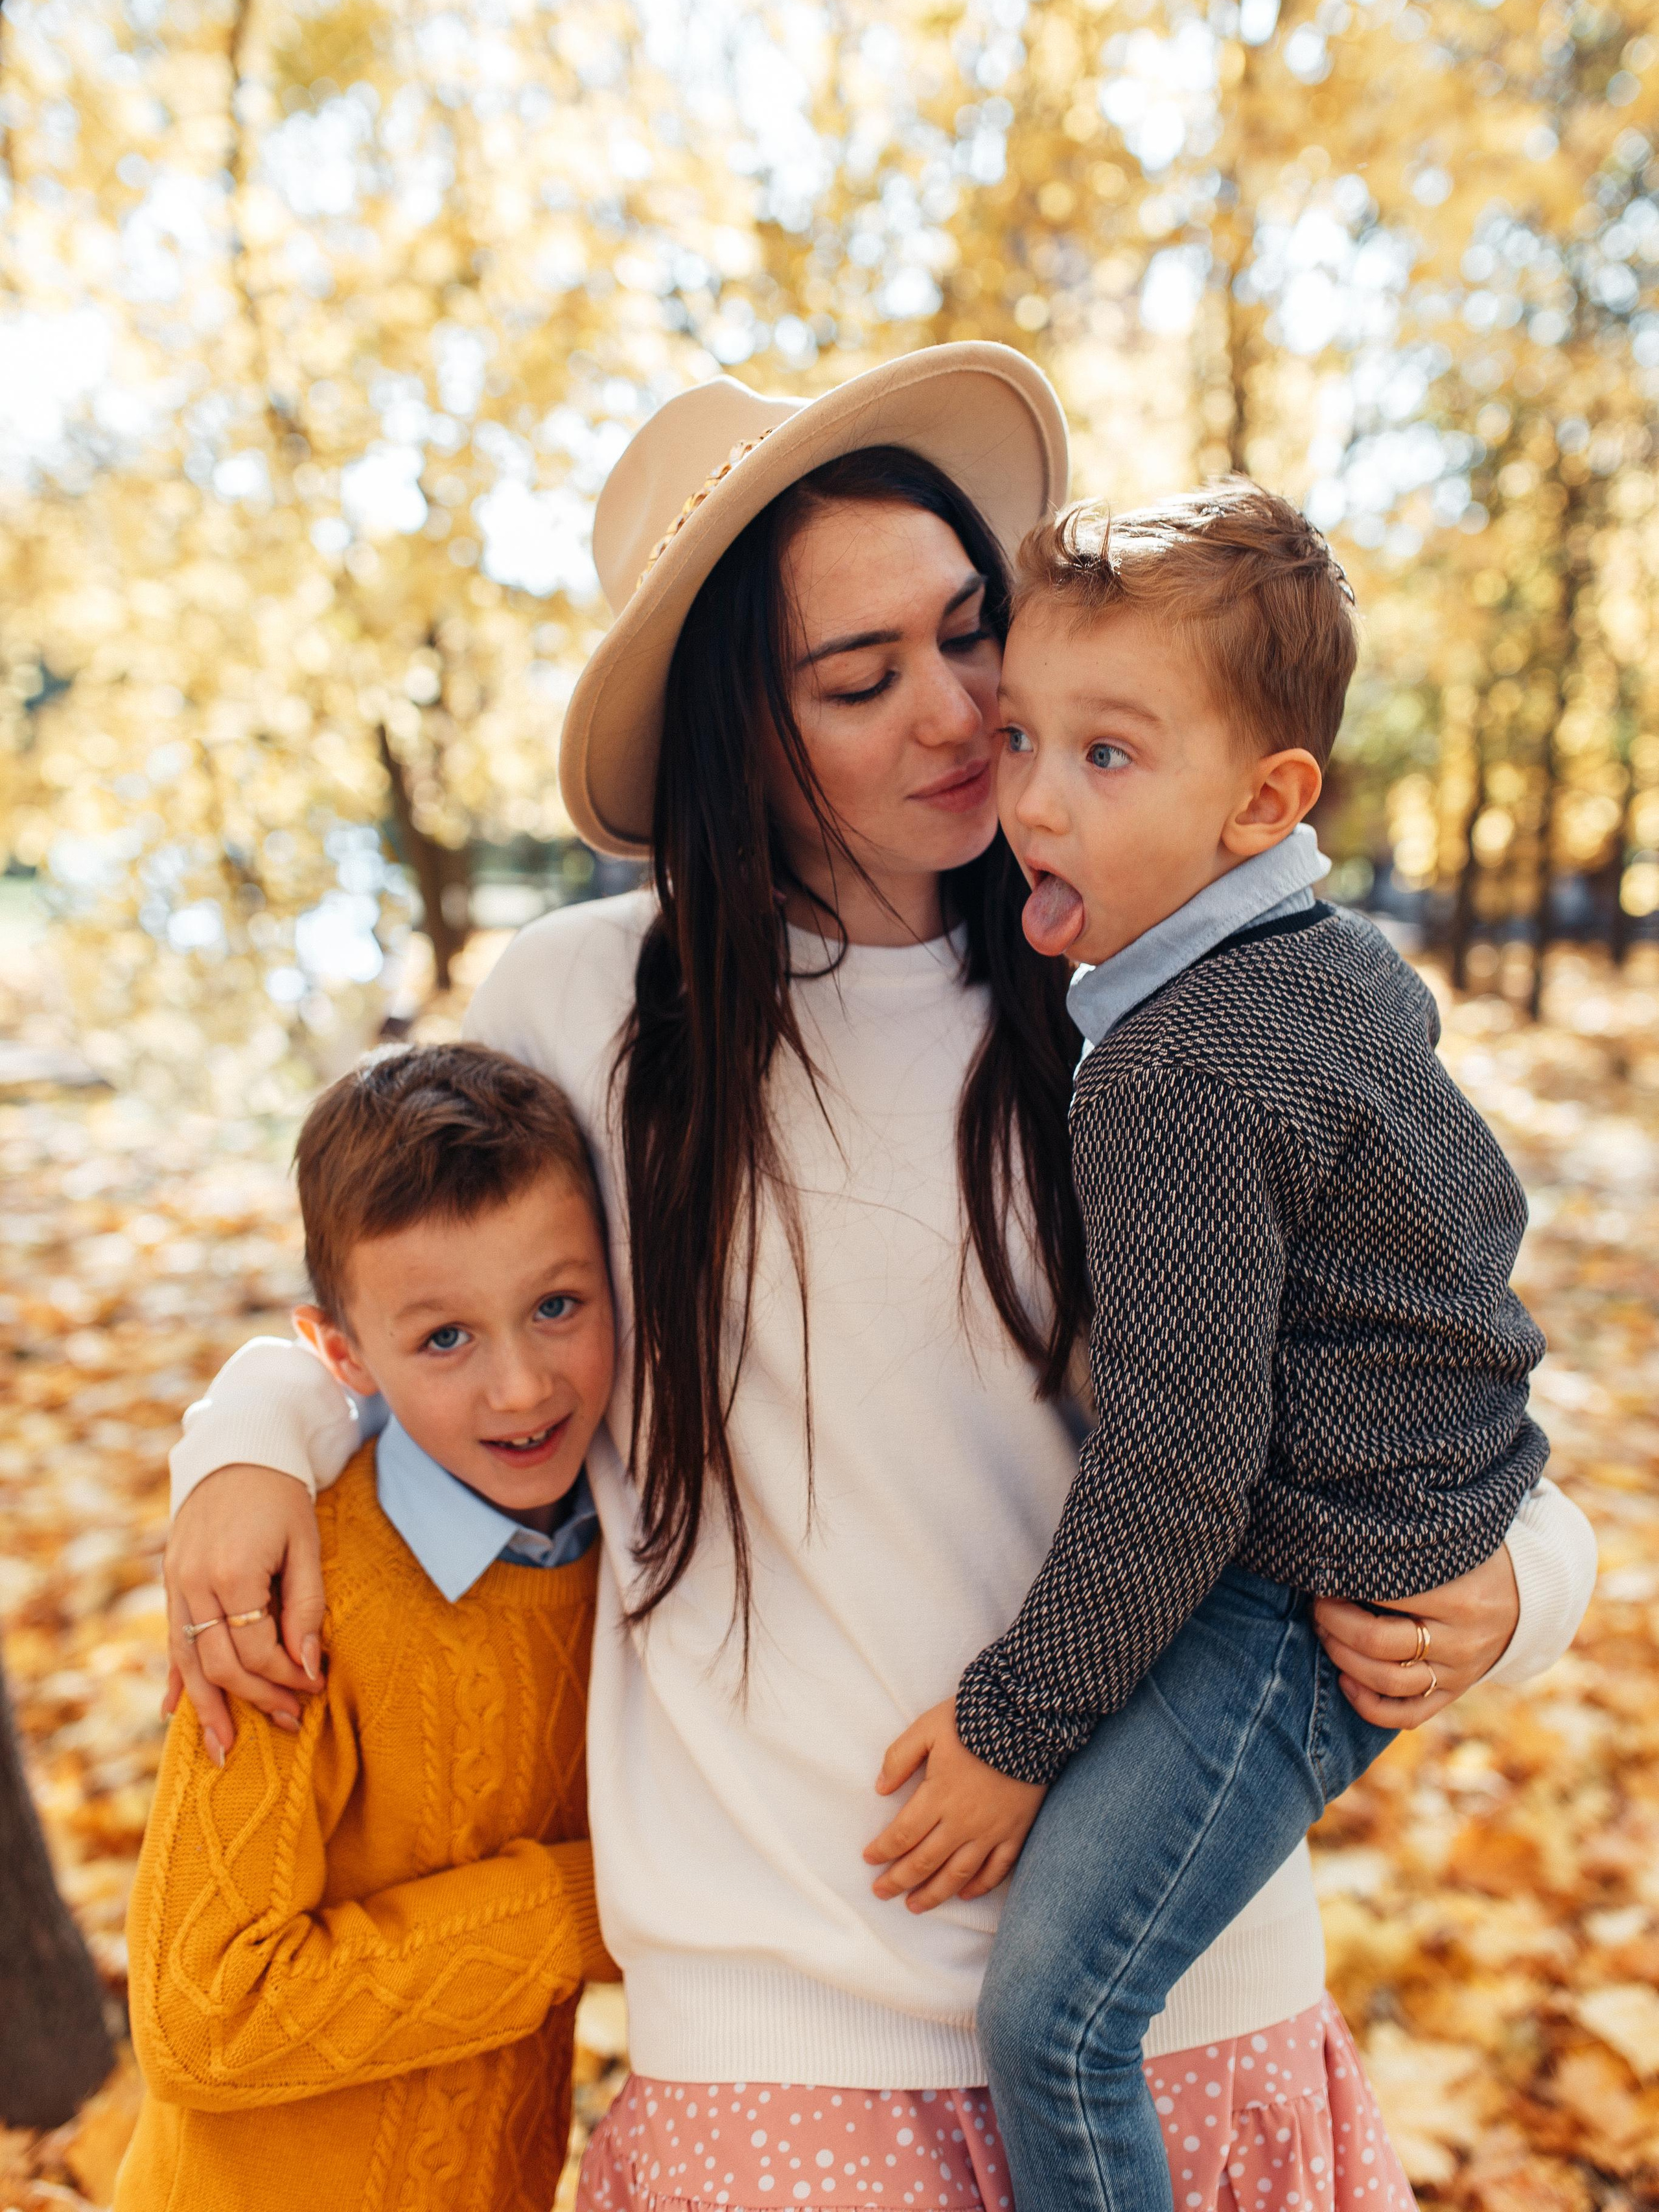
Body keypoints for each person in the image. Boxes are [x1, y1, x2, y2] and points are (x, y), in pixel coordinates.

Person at [157, 345, 1597, 2212]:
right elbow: (417, 1300)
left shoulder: (1175, 984)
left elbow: (1439, 1361)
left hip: (1180, 2009)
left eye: (970, 632)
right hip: (786, 2035)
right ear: (736, 735)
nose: (959, 708)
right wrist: (249, 1438)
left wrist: (1520, 1590)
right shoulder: (586, 1006)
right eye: (862, 677)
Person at [863, 483, 1555, 2212]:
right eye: (1025, 734)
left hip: (1293, 1593)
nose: (1027, 798)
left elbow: (1178, 1472)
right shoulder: (1333, 959)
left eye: (1109, 757)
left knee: (1056, 2016)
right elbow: (1469, 1221)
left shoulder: (1177, 1060)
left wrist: (1015, 1726)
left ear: (1266, 803)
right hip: (1379, 1518)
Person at [117, 1046, 618, 2212]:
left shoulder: (635, 1552)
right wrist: (568, 1911)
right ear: (342, 1357)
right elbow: (203, 2018)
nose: (521, 1389)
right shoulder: (290, 1597)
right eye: (445, 1338)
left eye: (557, 1306)